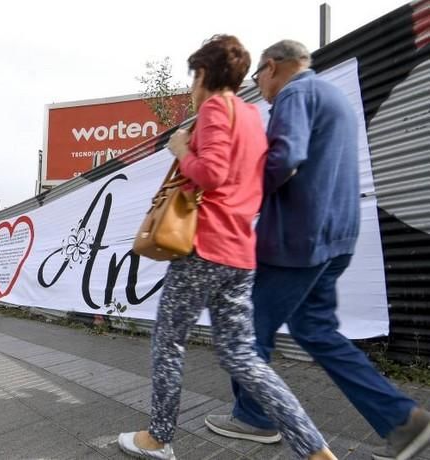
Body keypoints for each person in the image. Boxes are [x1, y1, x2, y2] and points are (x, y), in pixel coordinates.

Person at [204, 39, 430, 460]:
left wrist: (239, 195)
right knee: (317, 331)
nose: (261, 87)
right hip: (337, 237)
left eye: (260, 77)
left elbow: (285, 158)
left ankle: (254, 417)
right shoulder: (333, 96)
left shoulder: (295, 93)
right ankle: (404, 422)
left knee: (248, 331)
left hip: (297, 241)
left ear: (272, 67)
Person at [117, 35, 335, 460]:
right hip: (239, 254)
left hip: (203, 250)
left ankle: (158, 439)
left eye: (193, 78)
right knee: (243, 357)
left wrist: (182, 149)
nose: (193, 88)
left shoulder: (216, 109)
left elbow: (211, 174)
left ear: (203, 74)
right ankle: (315, 450)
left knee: (168, 342)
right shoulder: (253, 116)